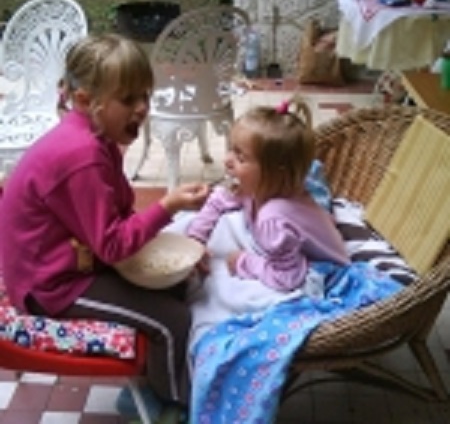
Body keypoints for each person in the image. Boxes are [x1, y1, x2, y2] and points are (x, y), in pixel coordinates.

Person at [0, 33, 210, 422]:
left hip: (74, 259)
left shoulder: (98, 139)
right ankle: (175, 407)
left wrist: (178, 250)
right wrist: (168, 206)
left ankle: (147, 389)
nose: (142, 108)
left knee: (180, 286)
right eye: (128, 99)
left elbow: (119, 214)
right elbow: (113, 245)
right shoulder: (82, 156)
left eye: (145, 95)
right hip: (49, 286)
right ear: (85, 101)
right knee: (172, 322)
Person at [186, 96, 350, 292]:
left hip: (322, 271)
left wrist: (242, 262)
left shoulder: (273, 217)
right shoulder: (259, 186)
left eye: (240, 157)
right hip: (285, 249)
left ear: (273, 172)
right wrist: (196, 239)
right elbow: (219, 199)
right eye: (231, 149)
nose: (227, 161)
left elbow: (287, 278)